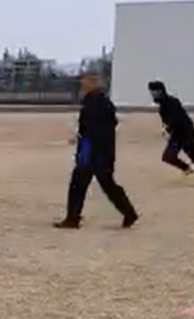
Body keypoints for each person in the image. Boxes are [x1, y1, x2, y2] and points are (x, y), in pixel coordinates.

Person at [54, 75, 138, 229]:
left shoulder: (97, 103)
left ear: (94, 84)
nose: (83, 85)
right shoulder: (99, 102)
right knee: (105, 184)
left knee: (81, 183)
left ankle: (73, 218)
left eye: (86, 82)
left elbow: (94, 128)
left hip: (94, 150)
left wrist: (86, 145)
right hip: (99, 150)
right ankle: (128, 212)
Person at [147, 80, 194, 188]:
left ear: (161, 91)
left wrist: (168, 128)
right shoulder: (162, 108)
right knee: (168, 156)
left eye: (155, 92)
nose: (153, 95)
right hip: (176, 135)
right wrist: (166, 130)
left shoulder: (173, 102)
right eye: (152, 92)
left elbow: (178, 120)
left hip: (187, 134)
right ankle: (186, 168)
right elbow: (166, 121)